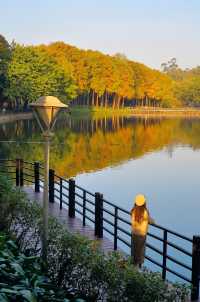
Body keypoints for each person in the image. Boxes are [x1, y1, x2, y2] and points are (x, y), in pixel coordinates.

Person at [130, 194, 155, 268]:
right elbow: (151, 221)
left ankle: (134, 265)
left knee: (134, 249)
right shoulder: (144, 212)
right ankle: (137, 268)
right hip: (141, 234)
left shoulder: (133, 210)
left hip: (134, 233)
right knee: (140, 251)